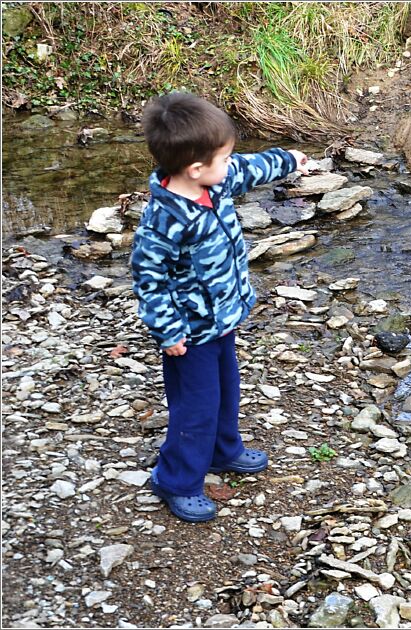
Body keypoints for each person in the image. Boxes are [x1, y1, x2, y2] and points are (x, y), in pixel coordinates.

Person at [130, 92, 308, 522]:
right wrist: (168, 331)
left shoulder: (217, 180)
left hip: (223, 316)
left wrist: (290, 159)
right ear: (195, 168)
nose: (232, 164)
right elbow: (149, 280)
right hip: (189, 333)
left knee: (228, 390)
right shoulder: (165, 220)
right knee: (196, 406)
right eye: (224, 158)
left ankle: (224, 451)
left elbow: (250, 168)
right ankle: (176, 479)